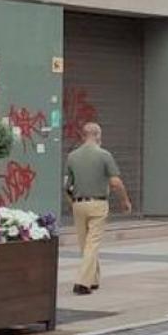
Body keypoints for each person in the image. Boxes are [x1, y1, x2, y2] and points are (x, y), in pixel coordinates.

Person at [64, 122, 131, 295]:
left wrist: (73, 203)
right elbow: (115, 182)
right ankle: (82, 282)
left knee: (84, 244)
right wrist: (125, 201)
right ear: (98, 135)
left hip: (78, 204)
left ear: (82, 135)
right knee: (92, 244)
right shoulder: (104, 155)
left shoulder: (72, 156)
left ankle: (93, 279)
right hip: (98, 203)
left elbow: (67, 185)